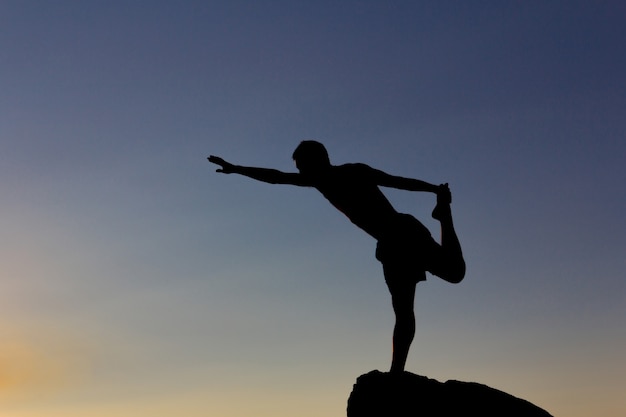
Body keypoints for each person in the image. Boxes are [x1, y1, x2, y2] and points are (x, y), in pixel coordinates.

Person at [208, 140, 465, 374]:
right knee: (404, 310)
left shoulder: (352, 172)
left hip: (404, 233)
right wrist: (236, 168)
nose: (300, 174)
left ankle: (444, 216)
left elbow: (396, 181)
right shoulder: (320, 180)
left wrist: (433, 190)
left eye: (302, 167)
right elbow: (276, 177)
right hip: (389, 246)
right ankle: (396, 373)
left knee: (454, 274)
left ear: (318, 160)